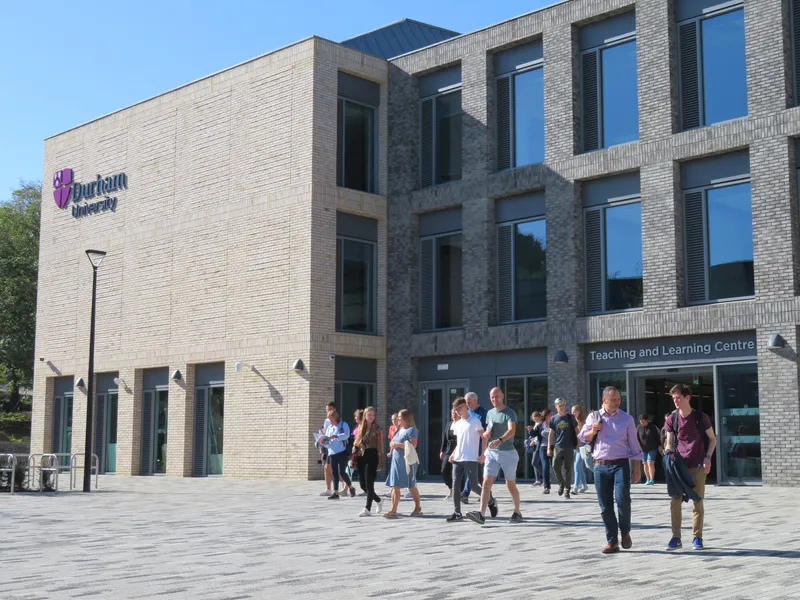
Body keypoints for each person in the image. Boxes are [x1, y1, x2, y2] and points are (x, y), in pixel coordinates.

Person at [579, 386, 642, 554]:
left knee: (622, 499)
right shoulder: (594, 417)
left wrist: (637, 468)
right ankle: (612, 540)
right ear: (604, 400)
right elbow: (582, 438)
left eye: (619, 399)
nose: (617, 402)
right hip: (600, 465)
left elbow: (634, 444)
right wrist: (593, 430)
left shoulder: (627, 419)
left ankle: (625, 531)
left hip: (621, 463)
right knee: (605, 506)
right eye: (613, 400)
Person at [663, 383, 717, 551]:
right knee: (675, 501)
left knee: (697, 502)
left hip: (697, 465)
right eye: (673, 398)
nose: (676, 401)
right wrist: (668, 451)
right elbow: (669, 441)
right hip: (678, 466)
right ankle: (676, 537)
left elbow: (712, 439)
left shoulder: (701, 417)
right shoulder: (672, 418)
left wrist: (708, 457)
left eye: (678, 397)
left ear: (688, 397)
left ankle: (697, 538)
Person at [465, 387, 523, 525]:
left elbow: (512, 430)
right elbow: (489, 430)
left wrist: (500, 440)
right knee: (486, 483)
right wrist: (486, 435)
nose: (494, 399)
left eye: (497, 396)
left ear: (502, 396)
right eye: (492, 397)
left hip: (507, 452)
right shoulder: (490, 413)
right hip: (492, 452)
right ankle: (481, 514)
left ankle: (517, 511)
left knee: (510, 484)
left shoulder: (509, 413)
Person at [447, 397, 496, 522]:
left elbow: (484, 437)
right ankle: (457, 512)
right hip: (458, 458)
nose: (457, 411)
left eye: (459, 408)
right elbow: (460, 442)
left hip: (471, 458)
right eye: (455, 409)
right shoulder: (457, 424)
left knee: (474, 486)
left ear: (465, 407)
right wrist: (453, 453)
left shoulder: (475, 421)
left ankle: (490, 500)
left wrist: (482, 454)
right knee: (456, 484)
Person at [384, 409, 422, 518]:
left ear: (406, 418)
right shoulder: (399, 429)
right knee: (395, 485)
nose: (398, 419)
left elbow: (413, 446)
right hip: (396, 462)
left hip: (407, 462)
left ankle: (418, 507)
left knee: (411, 485)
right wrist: (392, 444)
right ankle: (393, 510)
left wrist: (397, 444)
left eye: (400, 417)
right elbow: (393, 441)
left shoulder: (412, 430)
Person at [354, 406, 384, 517]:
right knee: (362, 485)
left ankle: (367, 508)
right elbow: (356, 442)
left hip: (373, 456)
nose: (371, 417)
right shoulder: (361, 427)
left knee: (370, 484)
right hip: (362, 456)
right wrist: (355, 446)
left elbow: (380, 446)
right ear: (365, 416)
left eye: (373, 415)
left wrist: (380, 461)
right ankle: (379, 500)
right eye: (369, 414)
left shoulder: (377, 429)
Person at [548, 398, 579, 499]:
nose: (562, 407)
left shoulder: (570, 418)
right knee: (555, 466)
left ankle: (567, 490)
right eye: (560, 406)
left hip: (569, 447)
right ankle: (561, 483)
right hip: (558, 446)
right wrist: (549, 447)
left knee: (568, 469)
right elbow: (551, 433)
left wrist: (578, 444)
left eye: (564, 405)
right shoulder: (554, 418)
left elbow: (577, 431)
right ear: (556, 406)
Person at [323, 409, 355, 499]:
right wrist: (324, 442)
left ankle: (351, 487)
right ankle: (336, 492)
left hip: (341, 451)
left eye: (331, 419)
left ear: (335, 417)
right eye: (329, 419)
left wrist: (337, 436)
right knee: (334, 472)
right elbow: (327, 439)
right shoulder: (330, 427)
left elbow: (347, 435)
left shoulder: (343, 424)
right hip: (332, 451)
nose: (330, 421)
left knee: (342, 472)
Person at [461, 392, 487, 504]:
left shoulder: (483, 413)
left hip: (480, 446)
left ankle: (465, 493)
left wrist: (484, 450)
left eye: (468, 402)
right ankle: (486, 493)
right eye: (466, 402)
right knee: (476, 472)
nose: (467, 404)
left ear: (475, 400)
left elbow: (486, 432)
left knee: (472, 470)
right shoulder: (467, 413)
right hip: (469, 446)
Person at [317, 401, 343, 496]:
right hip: (327, 447)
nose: (328, 411)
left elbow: (340, 434)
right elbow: (326, 432)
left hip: (336, 448)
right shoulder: (326, 421)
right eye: (327, 410)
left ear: (334, 409)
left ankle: (345, 483)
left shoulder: (339, 421)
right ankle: (328, 488)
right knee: (327, 467)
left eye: (330, 409)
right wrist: (321, 435)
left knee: (336, 469)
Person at [440, 407, 459, 500]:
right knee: (444, 470)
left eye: (455, 413)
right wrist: (442, 450)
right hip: (448, 450)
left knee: (456, 472)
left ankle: (458, 492)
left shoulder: (461, 424)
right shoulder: (449, 424)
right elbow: (444, 438)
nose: (454, 414)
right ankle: (451, 489)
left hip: (458, 450)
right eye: (452, 413)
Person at [637, 414, 662, 486]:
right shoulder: (638, 427)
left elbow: (657, 437)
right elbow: (637, 438)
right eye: (641, 422)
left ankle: (652, 479)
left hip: (652, 447)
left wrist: (659, 445)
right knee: (645, 464)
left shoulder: (652, 427)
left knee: (650, 462)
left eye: (644, 422)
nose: (642, 423)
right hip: (643, 449)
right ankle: (647, 479)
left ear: (647, 420)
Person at [571, 404, 589, 494]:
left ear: (579, 411)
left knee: (577, 465)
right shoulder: (572, 421)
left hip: (583, 446)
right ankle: (584, 485)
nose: (573, 413)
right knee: (578, 466)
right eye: (572, 411)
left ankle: (575, 486)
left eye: (575, 411)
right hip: (574, 446)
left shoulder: (584, 421)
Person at [352, 409, 367, 495]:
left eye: (356, 417)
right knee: (360, 471)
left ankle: (366, 489)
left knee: (363, 471)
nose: (355, 418)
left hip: (363, 451)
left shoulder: (365, 427)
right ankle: (365, 489)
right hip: (357, 450)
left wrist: (356, 445)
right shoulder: (359, 426)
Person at [526, 411, 544, 485]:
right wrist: (531, 430)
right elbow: (534, 434)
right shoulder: (536, 424)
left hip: (539, 445)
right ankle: (538, 480)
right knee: (535, 462)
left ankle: (546, 477)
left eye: (536, 419)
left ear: (539, 417)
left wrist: (534, 441)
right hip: (535, 445)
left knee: (534, 462)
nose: (535, 420)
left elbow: (540, 435)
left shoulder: (542, 424)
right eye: (534, 419)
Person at [538, 408, 553, 494]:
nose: (552, 416)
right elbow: (535, 434)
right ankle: (546, 486)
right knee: (545, 466)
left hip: (553, 446)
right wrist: (531, 430)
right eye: (550, 414)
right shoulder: (541, 425)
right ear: (546, 415)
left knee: (555, 466)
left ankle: (562, 484)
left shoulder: (553, 424)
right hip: (543, 447)